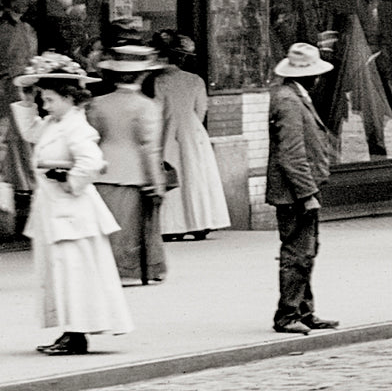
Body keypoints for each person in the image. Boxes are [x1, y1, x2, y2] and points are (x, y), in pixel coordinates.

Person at [13, 52, 133, 355]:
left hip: (73, 214)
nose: (45, 106)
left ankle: (76, 334)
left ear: (69, 98)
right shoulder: (53, 123)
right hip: (55, 211)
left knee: (74, 273)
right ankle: (70, 331)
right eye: (43, 100)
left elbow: (91, 162)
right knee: (62, 273)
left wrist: (68, 179)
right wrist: (26, 102)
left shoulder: (77, 127)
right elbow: (30, 132)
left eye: (50, 100)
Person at [267, 43, 339, 335]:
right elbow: (291, 154)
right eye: (315, 74)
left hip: (299, 189)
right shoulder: (289, 101)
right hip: (294, 193)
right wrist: (307, 194)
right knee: (297, 253)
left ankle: (304, 310)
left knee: (307, 251)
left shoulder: (295, 96)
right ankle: (287, 314)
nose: (318, 79)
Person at [88, 46, 167, 285]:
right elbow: (149, 147)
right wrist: (156, 181)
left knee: (105, 225)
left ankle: (102, 270)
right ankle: (129, 270)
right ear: (142, 75)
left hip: (102, 171)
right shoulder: (147, 106)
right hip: (133, 173)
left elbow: (92, 138)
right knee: (130, 227)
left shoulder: (98, 103)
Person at [152, 31, 231, 241]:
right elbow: (200, 111)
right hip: (193, 133)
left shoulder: (159, 82)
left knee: (173, 177)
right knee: (196, 177)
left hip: (167, 133)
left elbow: (157, 110)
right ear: (182, 58)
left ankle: (173, 226)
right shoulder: (195, 81)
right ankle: (200, 222)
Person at [0, 0, 38, 235]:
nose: (24, 3)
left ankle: (24, 184)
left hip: (24, 88)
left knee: (23, 137)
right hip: (7, 89)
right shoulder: (5, 28)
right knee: (9, 137)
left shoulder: (27, 28)